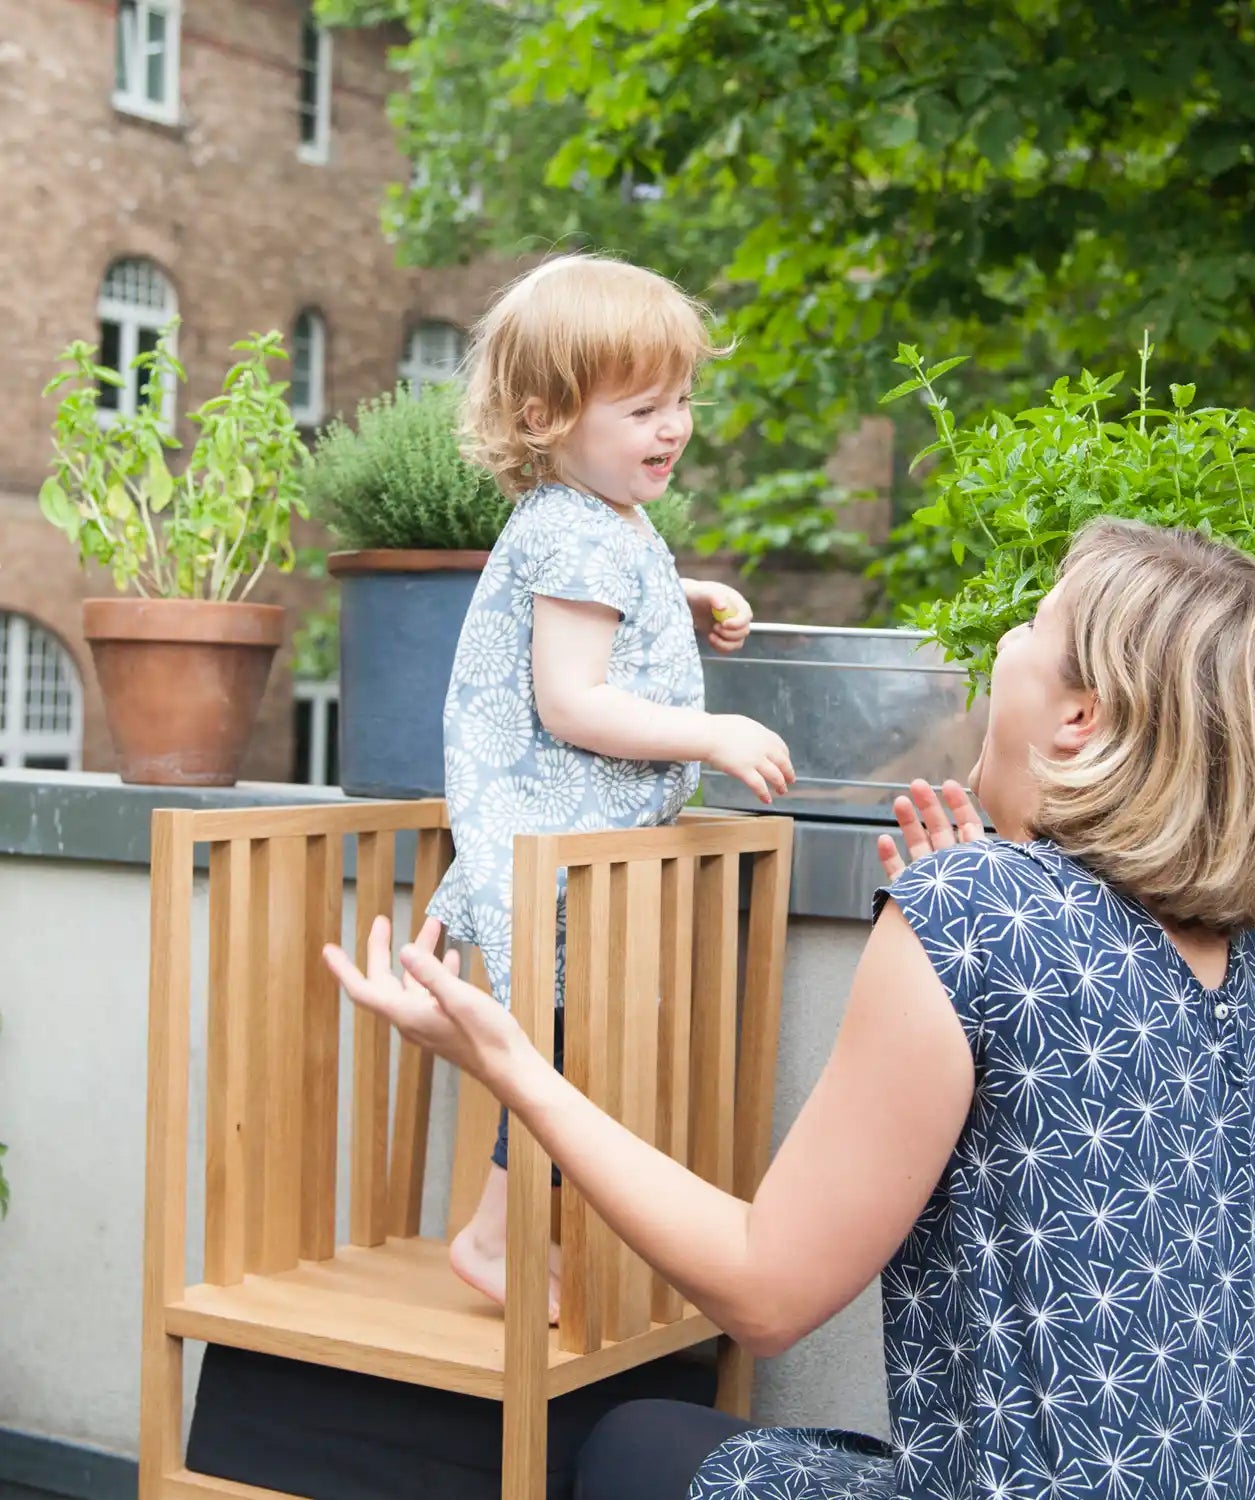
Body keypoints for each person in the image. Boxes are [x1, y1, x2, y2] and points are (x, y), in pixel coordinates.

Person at [326, 517, 1255, 1499]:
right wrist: (991, 890)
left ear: (1079, 714)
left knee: (627, 1447)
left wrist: (512, 1063)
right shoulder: (1232, 952)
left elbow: (765, 1291)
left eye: (1033, 623)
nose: (1005, 647)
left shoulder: (978, 912)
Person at [424, 253, 795, 1319]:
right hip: (552, 847)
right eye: (641, 407)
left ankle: (524, 1234)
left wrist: (679, 592)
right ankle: (497, 1238)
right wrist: (711, 729)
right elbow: (573, 703)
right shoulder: (573, 526)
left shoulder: (595, 522)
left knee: (572, 1046)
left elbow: (596, 597)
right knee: (564, 1051)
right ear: (545, 416)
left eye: (679, 400)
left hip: (575, 845)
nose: (671, 426)